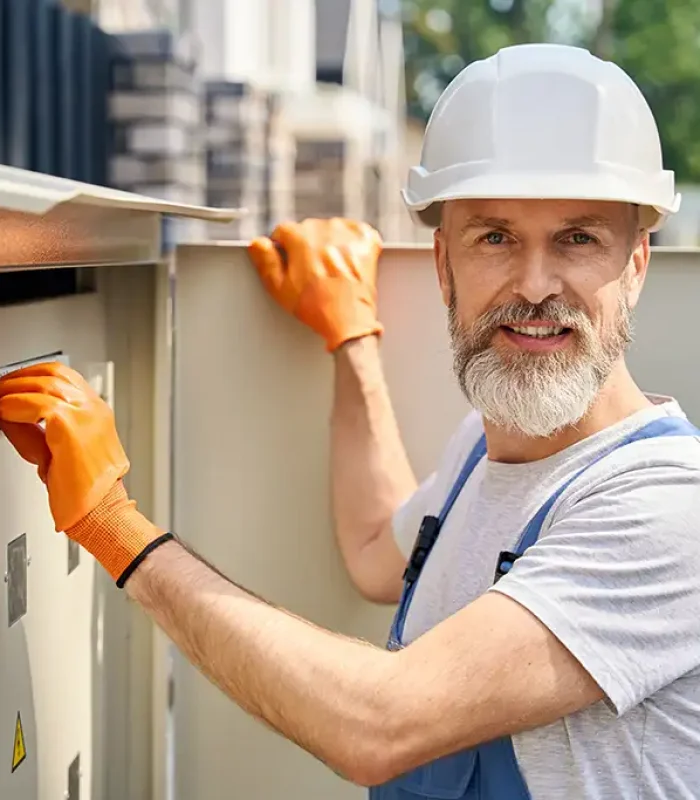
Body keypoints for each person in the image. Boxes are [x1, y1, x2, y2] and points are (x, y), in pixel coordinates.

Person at [0, 42, 699, 800]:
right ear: (444, 266)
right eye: (495, 237)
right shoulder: (488, 447)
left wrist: (114, 528)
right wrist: (350, 336)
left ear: (635, 266)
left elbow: (380, 724)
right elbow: (376, 552)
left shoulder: (666, 509)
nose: (534, 285)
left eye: (578, 238)